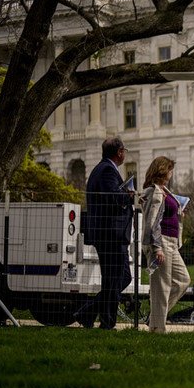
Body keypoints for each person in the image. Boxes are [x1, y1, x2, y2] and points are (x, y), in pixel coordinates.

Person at [75, 137, 134, 329]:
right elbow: (113, 198)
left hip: (109, 234)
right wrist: (128, 195)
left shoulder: (101, 169)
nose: (125, 153)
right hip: (111, 234)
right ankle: (104, 322)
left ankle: (89, 313)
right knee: (115, 279)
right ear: (119, 152)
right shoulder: (107, 170)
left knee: (119, 278)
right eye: (124, 150)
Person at [141, 156, 190, 334]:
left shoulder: (165, 190)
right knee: (162, 287)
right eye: (170, 169)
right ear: (163, 170)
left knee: (183, 280)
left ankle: (154, 319)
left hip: (172, 243)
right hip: (161, 242)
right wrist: (157, 247)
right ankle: (158, 328)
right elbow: (151, 222)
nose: (171, 173)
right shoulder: (155, 192)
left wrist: (179, 215)